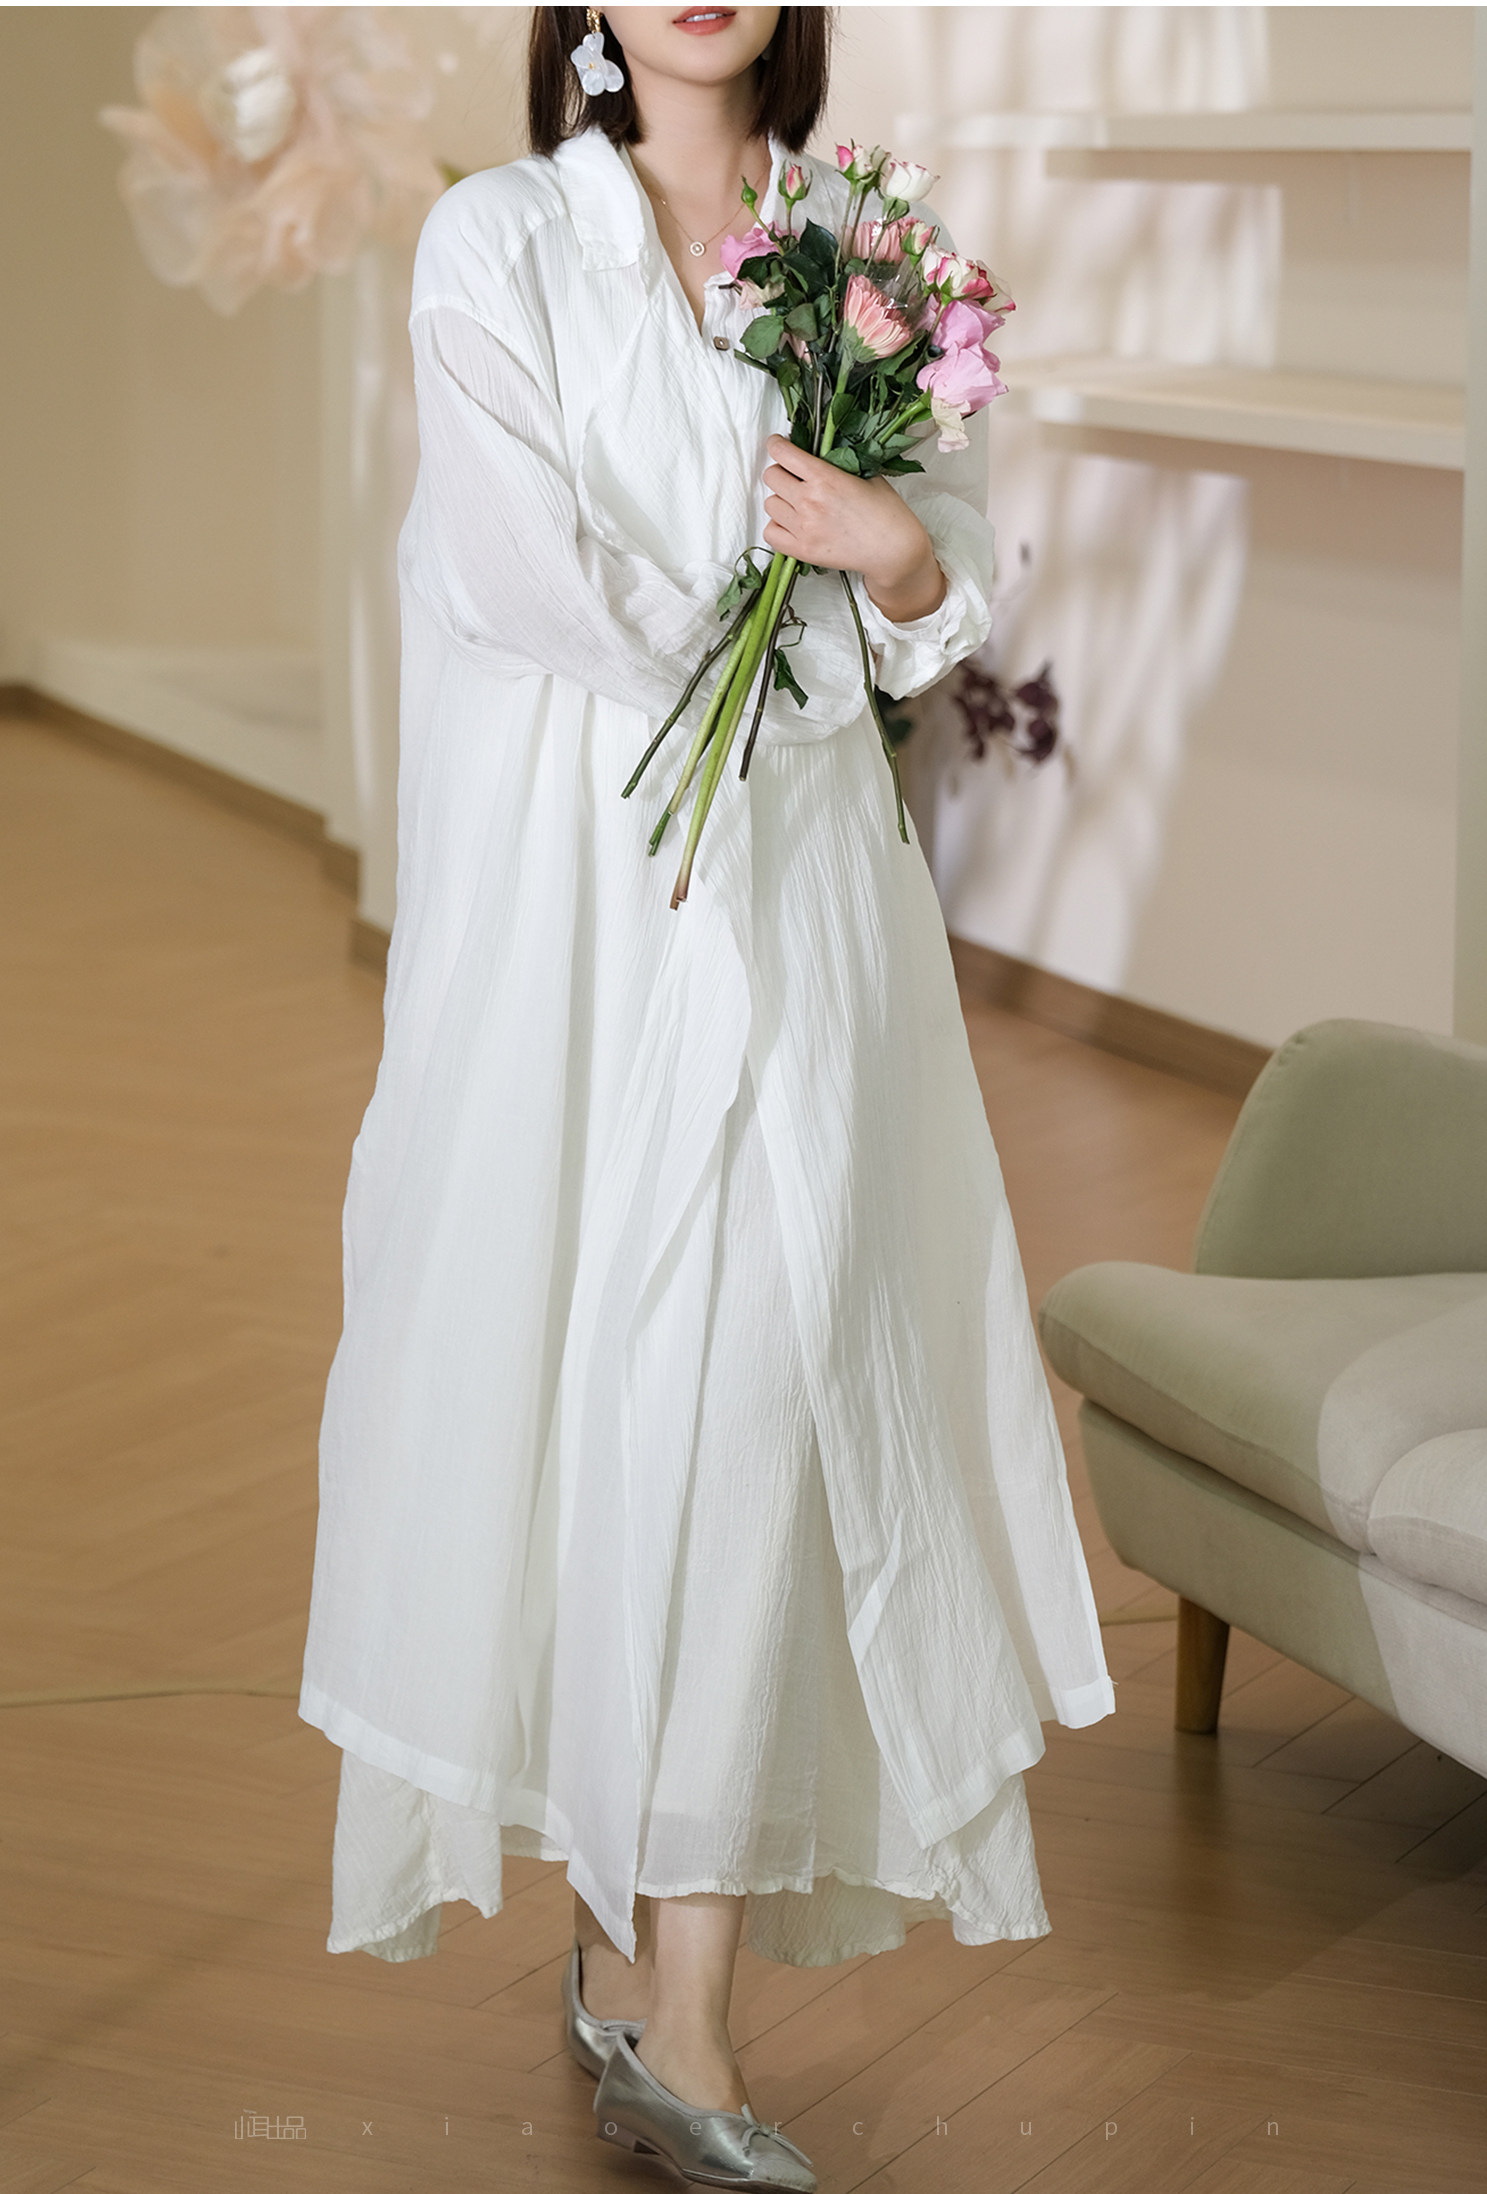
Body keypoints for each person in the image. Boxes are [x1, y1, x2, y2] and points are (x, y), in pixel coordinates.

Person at [298, 7, 1115, 2187]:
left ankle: (692, 2020)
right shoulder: (499, 241)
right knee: (589, 1397)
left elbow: (947, 571)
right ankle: (615, 1910)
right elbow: (517, 574)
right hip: (584, 917)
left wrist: (889, 553)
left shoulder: (859, 246)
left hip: (807, 910)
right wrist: (792, 635)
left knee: (753, 1384)